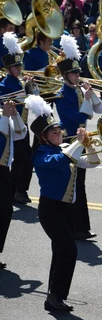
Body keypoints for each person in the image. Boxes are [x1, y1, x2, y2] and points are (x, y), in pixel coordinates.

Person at [27, 94, 100, 311]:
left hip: (68, 209)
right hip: (51, 210)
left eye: (59, 132)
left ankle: (54, 296)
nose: (59, 135)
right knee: (69, 250)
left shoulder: (64, 150)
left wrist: (88, 145)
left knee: (61, 251)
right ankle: (56, 295)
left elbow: (92, 162)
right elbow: (59, 162)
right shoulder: (41, 155)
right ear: (44, 137)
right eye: (54, 133)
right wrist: (77, 143)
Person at [54, 36, 102, 241]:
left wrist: (91, 95)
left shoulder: (77, 90)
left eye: (77, 72)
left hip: (82, 139)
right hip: (69, 141)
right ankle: (72, 226)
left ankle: (81, 227)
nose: (77, 76)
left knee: (80, 184)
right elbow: (74, 118)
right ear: (66, 75)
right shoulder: (61, 94)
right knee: (73, 185)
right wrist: (86, 101)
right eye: (74, 73)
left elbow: (101, 110)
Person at [0, 32, 33, 205]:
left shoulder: (20, 82)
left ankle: (19, 190)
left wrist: (30, 87)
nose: (19, 69)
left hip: (23, 125)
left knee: (25, 160)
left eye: (19, 66)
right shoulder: (4, 85)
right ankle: (15, 191)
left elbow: (33, 98)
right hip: (12, 127)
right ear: (8, 69)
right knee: (19, 160)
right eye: (15, 67)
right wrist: (25, 92)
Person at [0, 99, 27, 269]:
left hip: (3, 170)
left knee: (5, 211)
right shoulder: (2, 116)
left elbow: (21, 134)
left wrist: (15, 115)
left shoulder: (4, 114)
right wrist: (4, 116)